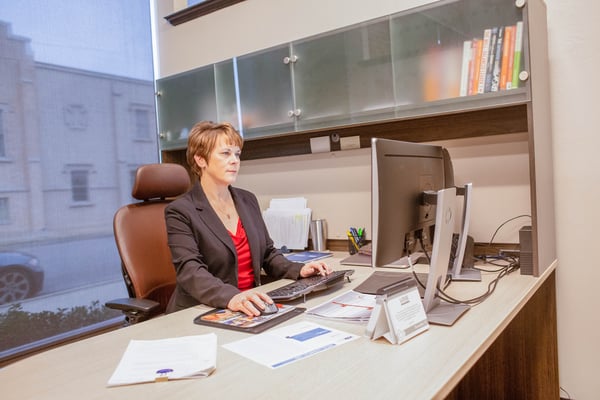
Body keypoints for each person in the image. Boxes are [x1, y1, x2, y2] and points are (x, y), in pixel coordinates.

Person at [165, 121, 331, 316]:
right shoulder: (180, 211)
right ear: (201, 160)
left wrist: (299, 270)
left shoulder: (247, 200)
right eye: (225, 153)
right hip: (205, 309)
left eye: (237, 154)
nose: (235, 160)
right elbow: (190, 271)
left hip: (249, 305)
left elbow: (268, 254)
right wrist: (232, 297)